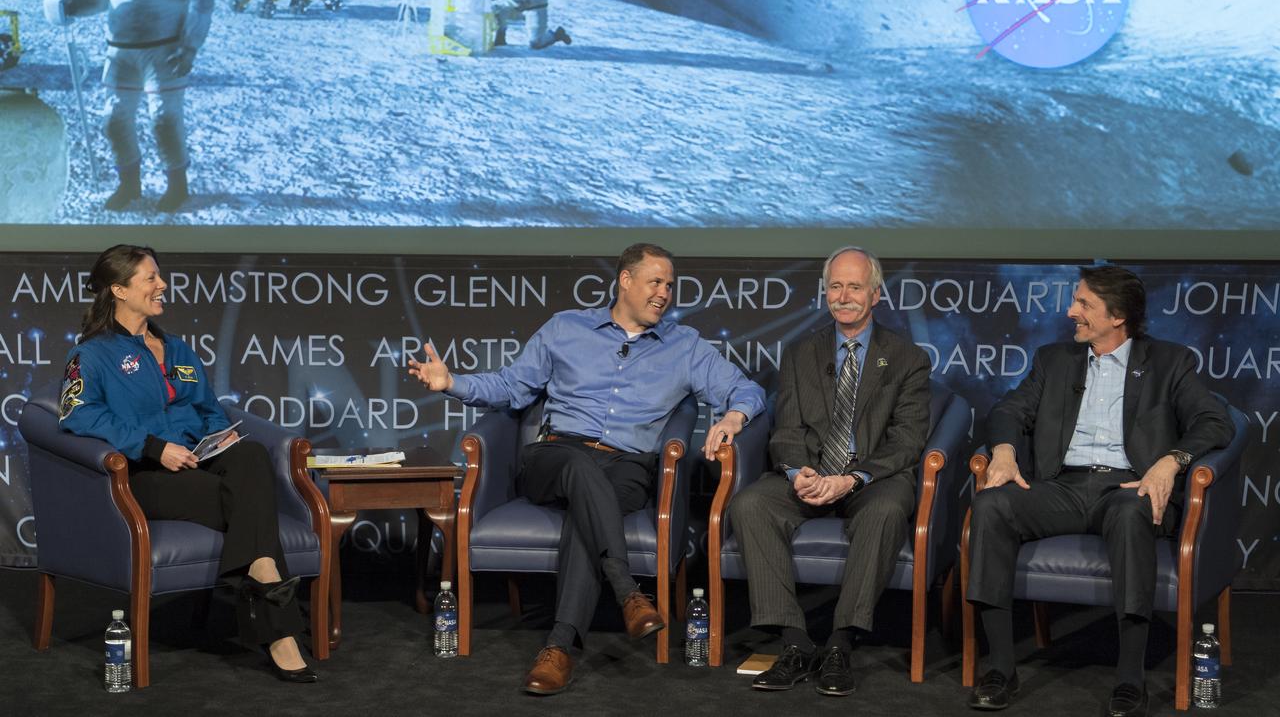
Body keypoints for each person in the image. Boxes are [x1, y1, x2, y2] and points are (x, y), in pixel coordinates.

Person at [407, 242, 765, 695]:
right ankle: (627, 591)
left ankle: (560, 648)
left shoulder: (684, 347)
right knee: (579, 468)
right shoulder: (566, 328)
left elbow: (746, 390)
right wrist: (451, 383)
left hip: (627, 466)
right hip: (554, 456)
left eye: (670, 286)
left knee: (588, 511)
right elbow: (511, 387)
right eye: (655, 282)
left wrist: (734, 417)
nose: (664, 294)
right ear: (626, 281)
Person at [965, 265, 1233, 716]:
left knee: (1133, 512)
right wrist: (1006, 452)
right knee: (991, 505)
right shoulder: (1055, 360)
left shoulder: (1169, 362)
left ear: (1118, 316)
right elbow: (1008, 409)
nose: (1071, 311)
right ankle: (1001, 669)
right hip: (1062, 488)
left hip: (1127, 487)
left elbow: (1216, 421)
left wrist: (1172, 461)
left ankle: (1130, 679)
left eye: (1084, 304)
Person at [58, 244, 317, 683]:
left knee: (251, 455)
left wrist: (221, 436)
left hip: (199, 459)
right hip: (145, 474)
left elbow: (208, 408)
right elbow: (77, 414)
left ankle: (261, 579)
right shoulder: (92, 355)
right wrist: (153, 446)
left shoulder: (176, 348)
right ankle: (276, 614)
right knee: (238, 499)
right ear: (119, 290)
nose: (162, 285)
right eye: (149, 278)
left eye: (160, 275)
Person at [726, 246, 931, 696]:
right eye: (835, 286)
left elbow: (907, 441)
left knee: (887, 509)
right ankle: (795, 643)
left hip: (869, 480)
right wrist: (799, 470)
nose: (844, 296)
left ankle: (840, 643)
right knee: (751, 503)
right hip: (813, 473)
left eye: (854, 286)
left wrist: (853, 479)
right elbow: (787, 427)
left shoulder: (907, 358)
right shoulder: (801, 352)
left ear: (875, 294)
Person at [44, 0, 214, 211]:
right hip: (121, 53)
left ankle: (177, 186)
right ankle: (129, 185)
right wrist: (72, 6)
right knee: (115, 121)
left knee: (163, 120)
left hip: (164, 53)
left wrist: (190, 46)